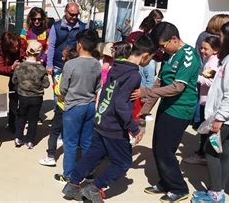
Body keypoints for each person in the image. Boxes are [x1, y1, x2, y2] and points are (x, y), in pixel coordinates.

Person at [62, 35, 157, 202]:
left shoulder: (116, 66)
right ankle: (95, 188)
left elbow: (107, 93)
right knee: (123, 163)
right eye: (151, 58)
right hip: (115, 127)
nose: (150, 62)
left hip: (101, 121)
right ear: (145, 55)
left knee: (93, 156)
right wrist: (134, 129)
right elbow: (120, 104)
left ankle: (73, 184)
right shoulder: (134, 75)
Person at [137, 22, 201, 202]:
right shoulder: (168, 54)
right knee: (158, 146)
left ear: (174, 39)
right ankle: (166, 181)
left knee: (166, 150)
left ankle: (179, 188)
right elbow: (159, 82)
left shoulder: (188, 56)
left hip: (180, 109)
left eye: (164, 46)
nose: (162, 50)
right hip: (166, 107)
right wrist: (145, 109)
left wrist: (146, 92)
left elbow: (177, 87)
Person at [192, 21, 229, 203]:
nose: (219, 38)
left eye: (221, 35)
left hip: (226, 117)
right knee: (224, 152)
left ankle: (215, 192)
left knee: (211, 151)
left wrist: (220, 118)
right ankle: (219, 190)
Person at [54, 29, 101, 184]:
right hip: (89, 106)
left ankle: (68, 175)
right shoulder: (96, 64)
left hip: (73, 107)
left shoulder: (70, 64)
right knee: (87, 142)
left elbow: (62, 89)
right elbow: (97, 87)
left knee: (71, 143)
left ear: (79, 45)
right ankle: (88, 173)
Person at [184, 36, 220, 165]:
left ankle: (203, 154)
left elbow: (212, 83)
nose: (202, 51)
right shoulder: (209, 60)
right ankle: (203, 152)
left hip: (208, 101)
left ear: (215, 50)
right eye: (201, 48)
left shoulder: (213, 63)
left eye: (206, 48)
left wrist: (196, 78)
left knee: (205, 129)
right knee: (204, 129)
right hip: (204, 99)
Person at [39, 47, 78, 166]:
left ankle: (50, 155)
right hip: (75, 107)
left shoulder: (64, 73)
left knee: (54, 132)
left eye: (63, 56)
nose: (61, 58)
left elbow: (60, 91)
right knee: (73, 133)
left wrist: (55, 86)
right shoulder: (80, 72)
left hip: (62, 106)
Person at [12, 41, 50, 149]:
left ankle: (18, 138)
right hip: (36, 97)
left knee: (21, 117)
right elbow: (46, 84)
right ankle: (30, 141)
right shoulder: (41, 68)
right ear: (39, 53)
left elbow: (14, 80)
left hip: (23, 96)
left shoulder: (20, 67)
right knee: (33, 119)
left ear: (27, 52)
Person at [0, 32, 27, 133]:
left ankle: (12, 123)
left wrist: (24, 59)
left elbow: (24, 53)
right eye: (13, 48)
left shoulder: (22, 42)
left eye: (16, 46)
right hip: (0, 72)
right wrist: (11, 67)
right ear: (7, 47)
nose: (16, 49)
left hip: (15, 72)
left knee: (14, 96)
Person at [46, 2, 88, 78]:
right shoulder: (56, 26)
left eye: (76, 14)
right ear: (65, 12)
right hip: (57, 65)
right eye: (71, 14)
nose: (74, 17)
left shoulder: (83, 27)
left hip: (76, 66)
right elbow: (51, 46)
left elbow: (86, 48)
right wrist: (49, 65)